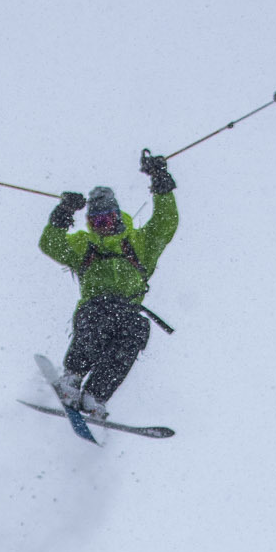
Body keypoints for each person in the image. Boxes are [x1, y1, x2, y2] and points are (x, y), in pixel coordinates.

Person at [39, 151, 178, 418]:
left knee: (137, 329)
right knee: (101, 317)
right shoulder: (83, 244)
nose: (103, 227)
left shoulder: (139, 243)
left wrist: (160, 180)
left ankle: (95, 394)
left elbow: (166, 222)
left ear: (117, 216)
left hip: (127, 311)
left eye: (108, 220)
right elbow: (51, 244)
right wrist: (63, 212)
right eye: (96, 222)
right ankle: (72, 378)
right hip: (94, 309)